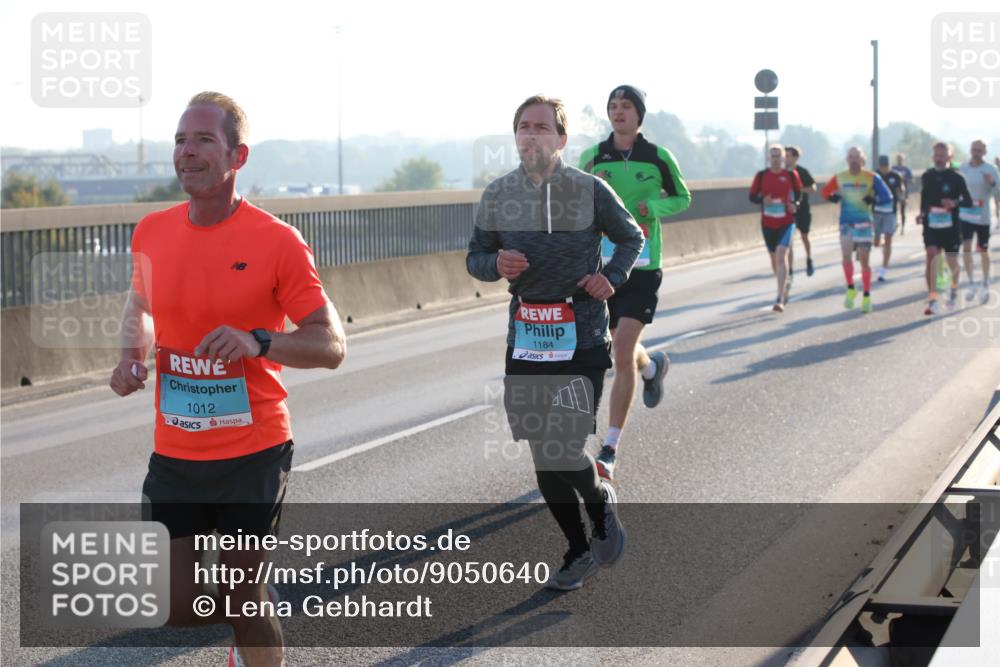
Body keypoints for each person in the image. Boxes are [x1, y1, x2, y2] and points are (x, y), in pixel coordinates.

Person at [109, 92, 347, 667]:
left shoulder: (276, 241)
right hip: (177, 449)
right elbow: (140, 305)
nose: (186, 153)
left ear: (236, 156)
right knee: (177, 606)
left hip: (253, 449)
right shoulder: (152, 231)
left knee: (244, 595)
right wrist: (129, 355)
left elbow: (331, 344)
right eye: (180, 141)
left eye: (203, 141)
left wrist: (259, 341)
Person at [467, 94, 642, 591]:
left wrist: (611, 277)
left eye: (543, 127)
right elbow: (476, 257)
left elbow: (631, 238)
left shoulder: (589, 189)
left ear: (561, 139)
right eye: (524, 126)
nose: (532, 134)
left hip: (581, 334)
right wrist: (495, 265)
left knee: (564, 445)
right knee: (543, 453)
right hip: (526, 337)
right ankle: (577, 547)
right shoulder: (498, 194)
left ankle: (599, 503)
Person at [578, 85, 691, 481]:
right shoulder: (593, 157)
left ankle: (609, 448)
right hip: (604, 267)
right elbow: (576, 204)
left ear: (639, 114)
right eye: (613, 105)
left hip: (643, 264)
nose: (618, 111)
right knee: (622, 348)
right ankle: (651, 367)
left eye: (626, 106)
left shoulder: (658, 157)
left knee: (620, 351)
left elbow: (683, 197)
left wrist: (653, 208)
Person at [820, 147, 892, 314]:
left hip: (864, 224)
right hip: (846, 224)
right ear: (847, 159)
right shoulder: (840, 177)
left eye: (857, 157)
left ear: (863, 160)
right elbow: (824, 191)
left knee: (864, 261)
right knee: (846, 258)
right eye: (851, 157)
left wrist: (873, 198)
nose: (854, 160)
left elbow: (888, 196)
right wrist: (833, 197)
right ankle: (851, 288)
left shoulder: (871, 177)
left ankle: (866, 296)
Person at [916, 142, 973, 315]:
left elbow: (968, 201)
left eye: (942, 155)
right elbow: (924, 198)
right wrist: (922, 213)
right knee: (931, 256)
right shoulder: (927, 176)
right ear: (933, 156)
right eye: (936, 155)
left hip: (951, 226)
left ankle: (953, 292)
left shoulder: (957, 178)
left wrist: (954, 203)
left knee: (951, 262)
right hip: (931, 224)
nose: (939, 158)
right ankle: (933, 299)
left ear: (950, 157)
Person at [749, 144, 802, 312]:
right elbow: (752, 196)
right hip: (768, 223)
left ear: (784, 158)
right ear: (768, 158)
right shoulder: (762, 176)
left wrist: (795, 204)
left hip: (786, 222)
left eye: (779, 156)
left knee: (781, 255)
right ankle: (783, 283)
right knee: (774, 259)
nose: (776, 159)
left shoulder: (791, 175)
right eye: (773, 156)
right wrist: (763, 200)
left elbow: (798, 194)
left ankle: (779, 297)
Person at [958, 140, 1000, 303]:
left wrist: (992, 182)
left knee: (983, 249)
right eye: (974, 149)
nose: (976, 153)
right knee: (966, 248)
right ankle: (971, 283)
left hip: (982, 217)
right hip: (966, 215)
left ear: (984, 152)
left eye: (979, 150)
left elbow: (998, 191)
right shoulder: (963, 169)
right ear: (970, 150)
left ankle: (985, 282)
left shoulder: (991, 169)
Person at [785, 145, 818, 277]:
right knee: (789, 241)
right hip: (789, 211)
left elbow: (814, 187)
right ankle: (790, 269)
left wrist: (800, 190)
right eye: (785, 156)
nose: (785, 158)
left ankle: (809, 259)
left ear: (795, 158)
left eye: (788, 156)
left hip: (803, 209)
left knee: (804, 237)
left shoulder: (802, 171)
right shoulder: (782, 172)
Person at [874, 155, 905, 281]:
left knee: (888, 239)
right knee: (876, 242)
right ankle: (881, 244)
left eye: (886, 166)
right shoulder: (874, 176)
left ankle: (883, 269)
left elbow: (901, 190)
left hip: (890, 212)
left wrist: (902, 199)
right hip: (876, 212)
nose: (884, 168)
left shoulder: (895, 176)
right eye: (882, 166)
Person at [893, 154, 914, 235]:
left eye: (901, 159)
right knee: (894, 209)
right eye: (898, 159)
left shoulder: (906, 169)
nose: (899, 161)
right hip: (895, 191)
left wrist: (906, 179)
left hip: (904, 192)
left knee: (902, 210)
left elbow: (911, 179)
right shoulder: (894, 169)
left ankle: (902, 227)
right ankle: (894, 223)